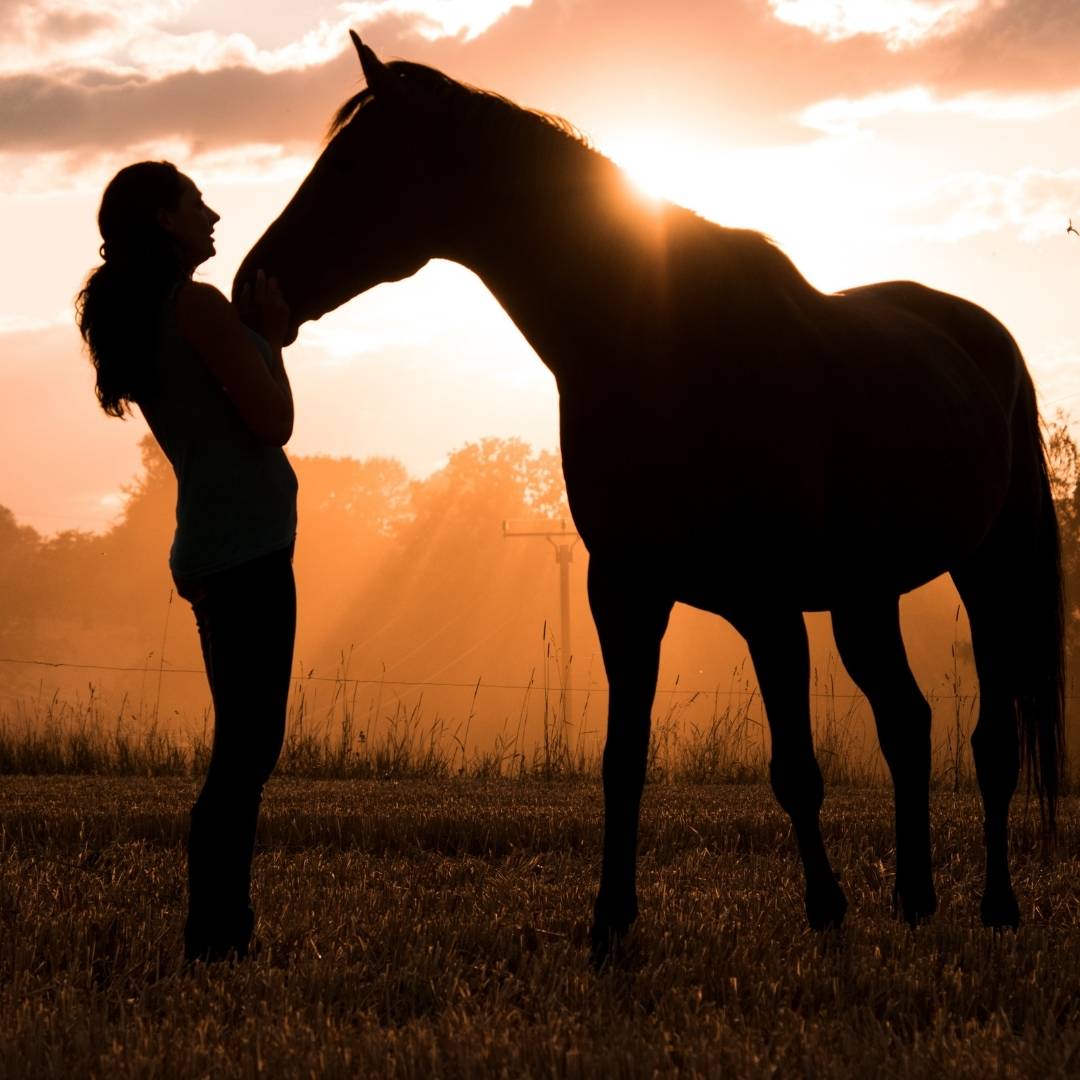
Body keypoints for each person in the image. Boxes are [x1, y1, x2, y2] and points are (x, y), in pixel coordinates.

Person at [76, 161, 297, 962]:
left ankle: (220, 931)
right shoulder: (196, 307)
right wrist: (271, 339)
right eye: (195, 202)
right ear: (166, 220)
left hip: (217, 544)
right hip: (245, 550)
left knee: (245, 747)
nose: (212, 214)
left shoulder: (160, 311)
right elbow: (272, 421)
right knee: (247, 752)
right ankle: (216, 935)